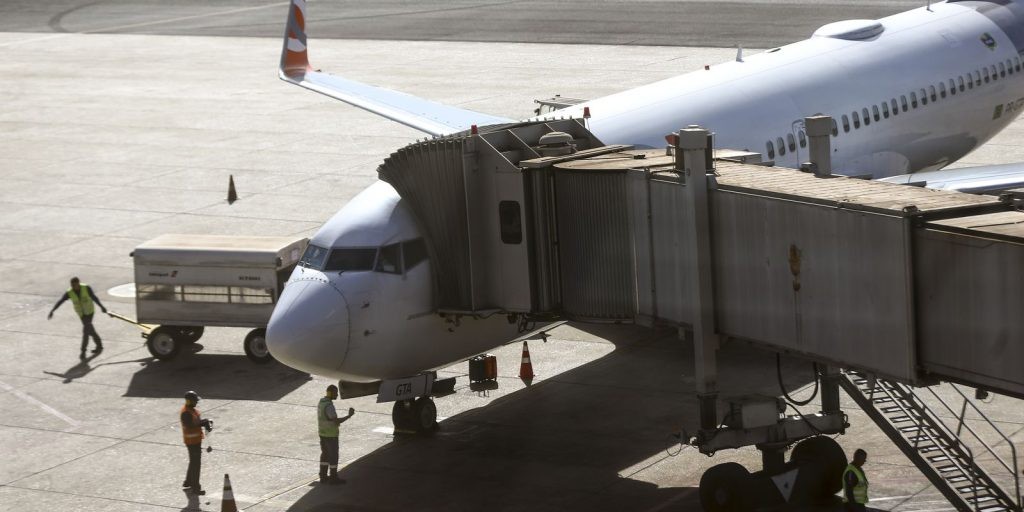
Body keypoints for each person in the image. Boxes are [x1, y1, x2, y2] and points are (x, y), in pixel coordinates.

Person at [48, 277, 107, 359]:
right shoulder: (69, 292)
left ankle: (83, 351)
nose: (73, 287)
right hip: (81, 314)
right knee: (89, 330)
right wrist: (53, 310)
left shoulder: (86, 288)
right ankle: (99, 345)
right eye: (71, 285)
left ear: (78, 283)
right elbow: (61, 301)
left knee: (86, 331)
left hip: (89, 312)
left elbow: (94, 298)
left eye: (74, 285)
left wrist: (102, 307)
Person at [318, 384, 354, 484]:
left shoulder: (321, 403)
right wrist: (349, 416)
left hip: (323, 434)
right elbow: (336, 421)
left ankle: (323, 476)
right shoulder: (329, 406)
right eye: (335, 392)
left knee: (324, 455)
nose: (337, 395)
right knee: (333, 456)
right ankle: (333, 478)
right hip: (331, 436)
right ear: (331, 393)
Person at [181, 390, 212, 495]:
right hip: (191, 442)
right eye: (195, 401)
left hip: (196, 441)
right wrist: (202, 423)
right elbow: (190, 425)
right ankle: (195, 488)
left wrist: (205, 422)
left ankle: (188, 482)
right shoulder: (186, 413)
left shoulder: (192, 410)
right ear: (189, 401)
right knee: (196, 465)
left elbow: (196, 422)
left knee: (193, 462)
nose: (196, 402)